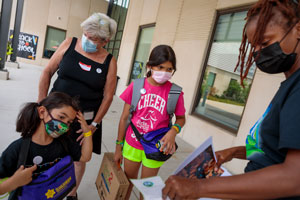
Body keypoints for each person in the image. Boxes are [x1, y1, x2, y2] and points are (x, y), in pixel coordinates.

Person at [162, 0, 300, 199]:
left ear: (298, 29)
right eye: (254, 47)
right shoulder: (289, 85)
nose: (259, 53)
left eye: (265, 43)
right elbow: (274, 153)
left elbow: (294, 177)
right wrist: (234, 152)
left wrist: (199, 188)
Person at [38, 12, 117, 200]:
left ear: (105, 42)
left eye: (94, 39)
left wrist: (94, 125)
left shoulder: (109, 62)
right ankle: (42, 188)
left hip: (84, 121)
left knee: (79, 159)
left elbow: (107, 97)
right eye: (87, 35)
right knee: (45, 149)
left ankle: (71, 193)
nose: (88, 40)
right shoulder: (69, 44)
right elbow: (47, 72)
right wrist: (41, 105)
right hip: (53, 113)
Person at [114, 45, 186, 200]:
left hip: (155, 146)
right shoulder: (137, 85)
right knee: (127, 182)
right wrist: (118, 146)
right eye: (160, 67)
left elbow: (181, 118)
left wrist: (173, 131)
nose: (165, 72)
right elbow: (124, 117)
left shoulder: (175, 92)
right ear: (150, 66)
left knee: (148, 189)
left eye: (169, 69)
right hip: (133, 142)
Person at [0, 92, 93, 199]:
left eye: (69, 122)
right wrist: (14, 182)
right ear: (42, 112)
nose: (64, 126)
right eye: (61, 117)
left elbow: (85, 157)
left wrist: (87, 132)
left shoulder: (63, 143)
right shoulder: (18, 149)